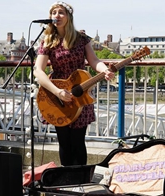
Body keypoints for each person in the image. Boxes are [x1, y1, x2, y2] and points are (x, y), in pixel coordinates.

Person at [33, 1, 115, 166]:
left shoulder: (81, 38)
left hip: (80, 93)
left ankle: (80, 181)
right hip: (58, 95)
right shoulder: (47, 41)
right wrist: (57, 92)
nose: (57, 15)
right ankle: (67, 180)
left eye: (61, 12)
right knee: (64, 142)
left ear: (69, 17)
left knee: (78, 141)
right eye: (54, 12)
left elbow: (94, 60)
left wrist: (104, 70)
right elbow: (38, 71)